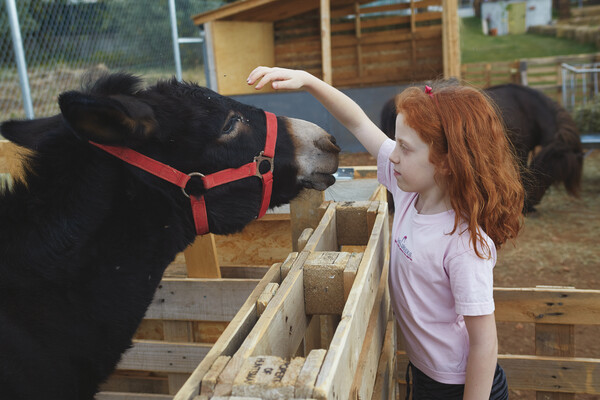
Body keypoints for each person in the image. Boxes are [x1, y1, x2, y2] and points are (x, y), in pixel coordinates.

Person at [247, 67, 524, 400]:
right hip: (426, 373)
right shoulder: (409, 192)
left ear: (447, 162)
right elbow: (358, 122)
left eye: (405, 148)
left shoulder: (463, 245)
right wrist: (309, 81)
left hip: (461, 386)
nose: (392, 154)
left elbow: (484, 343)